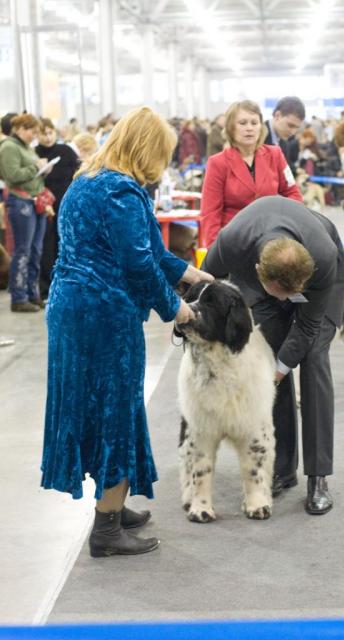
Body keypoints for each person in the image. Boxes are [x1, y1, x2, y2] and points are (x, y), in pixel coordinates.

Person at [40, 106, 214, 558]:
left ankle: (112, 505)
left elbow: (151, 251)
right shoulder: (122, 191)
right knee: (116, 409)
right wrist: (178, 309)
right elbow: (138, 265)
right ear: (148, 149)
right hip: (103, 315)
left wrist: (192, 275)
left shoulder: (87, 180)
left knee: (98, 408)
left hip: (71, 309)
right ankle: (107, 529)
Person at [202, 195, 344, 515]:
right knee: (269, 352)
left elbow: (308, 329)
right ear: (258, 274)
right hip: (258, 266)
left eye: (296, 294)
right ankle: (281, 468)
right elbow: (203, 285)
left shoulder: (321, 260)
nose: (293, 300)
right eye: (286, 296)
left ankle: (318, 475)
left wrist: (279, 372)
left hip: (322, 267)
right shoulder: (231, 242)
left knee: (313, 359)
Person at [201, 99, 303, 248]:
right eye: (242, 123)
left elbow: (293, 194)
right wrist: (215, 250)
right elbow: (210, 212)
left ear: (260, 127)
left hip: (273, 236)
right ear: (230, 128)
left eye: (254, 123)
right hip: (234, 241)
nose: (249, 128)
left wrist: (285, 222)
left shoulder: (275, 154)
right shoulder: (217, 163)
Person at [0, 113, 52, 312]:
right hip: (20, 202)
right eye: (32, 130)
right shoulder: (9, 147)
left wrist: (42, 169)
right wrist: (35, 167)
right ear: (20, 128)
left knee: (36, 250)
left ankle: (33, 293)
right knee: (23, 250)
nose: (34, 135)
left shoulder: (25, 147)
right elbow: (12, 176)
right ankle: (19, 297)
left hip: (34, 201)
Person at [36, 118, 79, 298]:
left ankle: (68, 285)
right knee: (46, 246)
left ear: (55, 132)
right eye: (43, 133)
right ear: (37, 135)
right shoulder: (34, 153)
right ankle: (46, 287)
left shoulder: (66, 151)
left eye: (50, 132)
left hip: (66, 204)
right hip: (45, 207)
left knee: (66, 244)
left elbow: (77, 174)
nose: (47, 137)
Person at [264, 96, 305, 175]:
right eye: (290, 125)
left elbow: (285, 165)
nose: (293, 132)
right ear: (277, 116)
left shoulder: (284, 141)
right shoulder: (256, 136)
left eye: (296, 128)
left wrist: (296, 171)